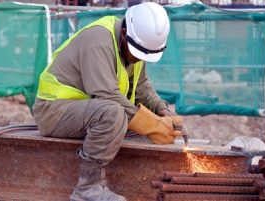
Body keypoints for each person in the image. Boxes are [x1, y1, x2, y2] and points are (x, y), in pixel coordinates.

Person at [33, 2, 183, 201]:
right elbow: (106, 95)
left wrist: (164, 113)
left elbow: (142, 88)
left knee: (130, 121)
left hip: (89, 114)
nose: (139, 59)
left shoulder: (135, 44)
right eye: (138, 53)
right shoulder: (98, 41)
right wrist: (153, 125)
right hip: (55, 112)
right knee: (113, 113)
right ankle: (87, 189)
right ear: (123, 33)